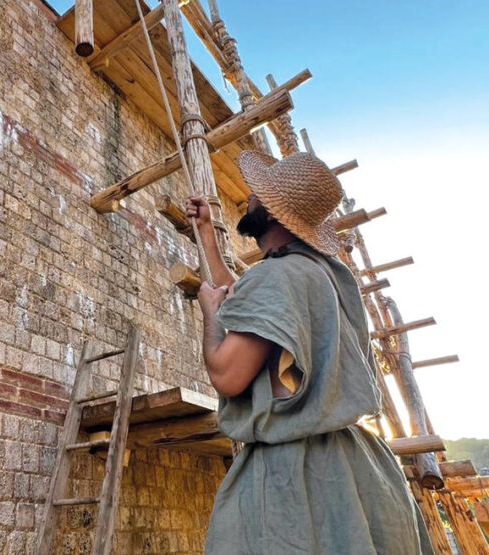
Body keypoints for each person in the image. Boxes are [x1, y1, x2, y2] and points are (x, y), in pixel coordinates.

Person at [185, 151, 434, 554]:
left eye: (257, 194)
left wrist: (211, 314)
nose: (249, 196)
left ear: (272, 213)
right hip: (358, 469)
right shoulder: (325, 276)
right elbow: (254, 307)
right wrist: (209, 237)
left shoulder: (277, 278)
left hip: (298, 475)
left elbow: (228, 375)